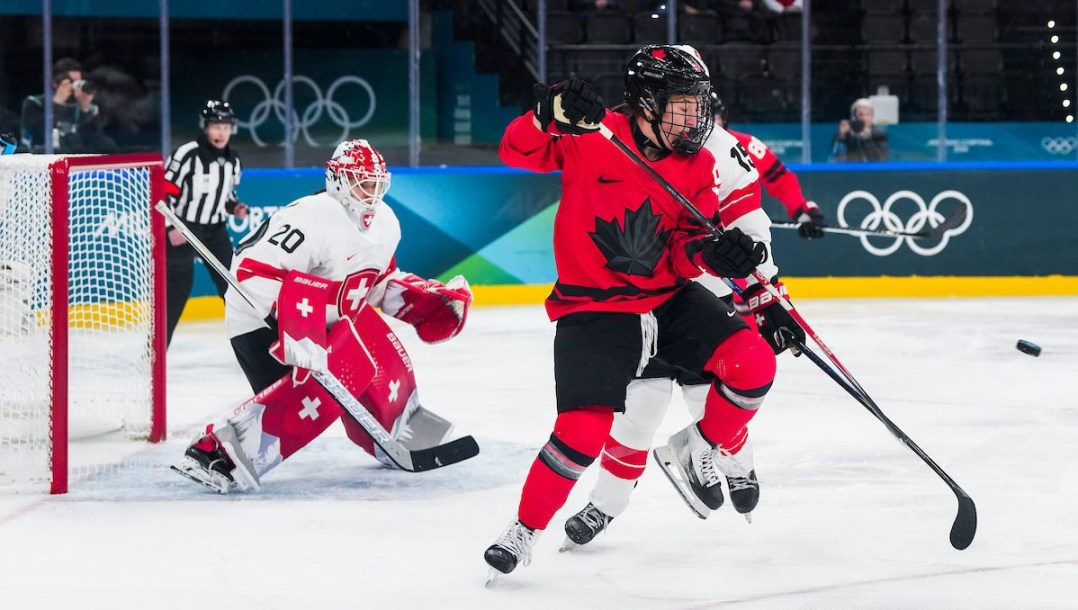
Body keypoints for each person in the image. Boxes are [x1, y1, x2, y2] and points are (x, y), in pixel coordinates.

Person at [483, 44, 776, 578]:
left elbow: (684, 251)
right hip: (593, 308)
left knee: (754, 362)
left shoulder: (701, 164)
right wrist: (546, 115)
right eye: (682, 105)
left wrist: (712, 254)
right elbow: (514, 151)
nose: (694, 118)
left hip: (667, 300)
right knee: (582, 431)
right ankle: (524, 530)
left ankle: (696, 445)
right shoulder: (590, 134)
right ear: (646, 102)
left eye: (697, 105)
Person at [561, 91, 816, 548]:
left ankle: (737, 466)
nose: (688, 115)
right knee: (638, 411)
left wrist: (768, 296)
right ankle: (606, 503)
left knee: (712, 402)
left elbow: (752, 226)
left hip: (704, 304)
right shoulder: (627, 137)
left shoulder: (728, 149)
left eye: (695, 104)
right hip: (643, 302)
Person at [171, 138, 474, 493]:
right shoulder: (313, 216)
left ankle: (399, 424)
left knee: (371, 341)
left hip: (325, 324)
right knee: (329, 384)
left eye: (375, 183)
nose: (370, 193)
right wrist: (299, 328)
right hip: (260, 323)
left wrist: (424, 301)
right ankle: (217, 454)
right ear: (338, 181)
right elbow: (251, 273)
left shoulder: (386, 223)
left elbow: (373, 285)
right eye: (361, 183)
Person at [163, 100, 246, 346]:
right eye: (216, 126)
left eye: (225, 127)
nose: (221, 132)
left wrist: (234, 207)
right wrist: (171, 226)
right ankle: (156, 351)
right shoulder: (186, 155)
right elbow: (161, 191)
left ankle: (251, 346)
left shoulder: (234, 160)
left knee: (232, 289)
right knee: (177, 290)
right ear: (206, 127)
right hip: (183, 227)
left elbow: (226, 195)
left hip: (215, 230)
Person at [830, 98, 889, 162]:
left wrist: (866, 139)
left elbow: (881, 158)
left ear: (872, 116)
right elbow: (835, 156)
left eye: (868, 115)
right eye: (861, 115)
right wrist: (841, 136)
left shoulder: (878, 133)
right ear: (854, 117)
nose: (864, 118)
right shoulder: (848, 133)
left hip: (872, 167)